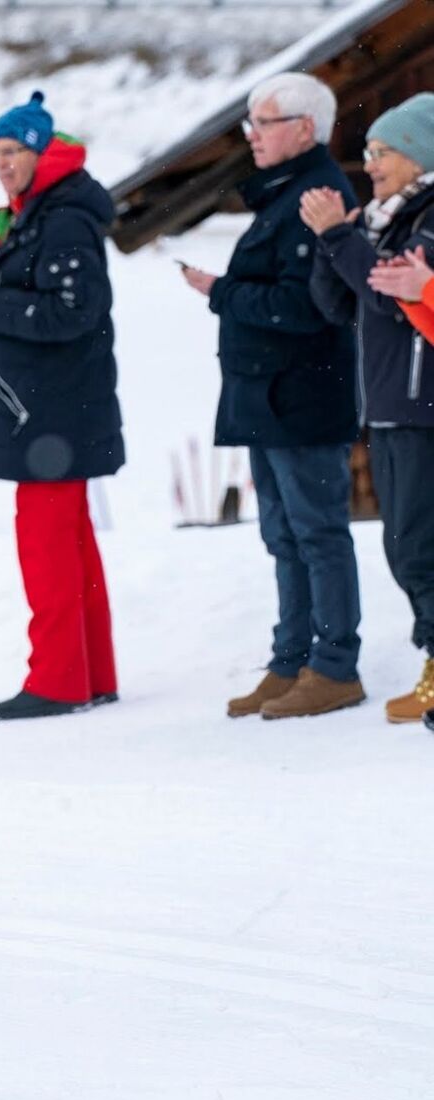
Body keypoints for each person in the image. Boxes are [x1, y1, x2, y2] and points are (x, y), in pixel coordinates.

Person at [179, 73, 363, 720]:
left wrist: (221, 292)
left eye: (263, 123)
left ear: (305, 129)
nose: (251, 136)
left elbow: (303, 307)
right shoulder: (285, 191)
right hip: (269, 395)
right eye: (249, 124)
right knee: (284, 535)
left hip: (303, 395)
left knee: (317, 534)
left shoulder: (318, 196)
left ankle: (334, 666)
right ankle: (291, 661)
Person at [0, 91, 124, 720]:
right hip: (52, 413)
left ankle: (57, 680)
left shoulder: (63, 220)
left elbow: (76, 311)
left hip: (51, 418)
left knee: (49, 551)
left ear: (41, 154)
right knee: (72, 548)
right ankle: (90, 674)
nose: (2, 163)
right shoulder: (46, 213)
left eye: (13, 151)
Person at [306, 92, 434, 725]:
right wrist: (334, 243)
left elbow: (390, 296)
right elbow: (339, 303)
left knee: (418, 548)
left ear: (418, 155)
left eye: (382, 152)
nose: (371, 163)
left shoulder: (430, 217)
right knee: (405, 545)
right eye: (368, 151)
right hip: (389, 404)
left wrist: (341, 239)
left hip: (422, 408)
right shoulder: (390, 219)